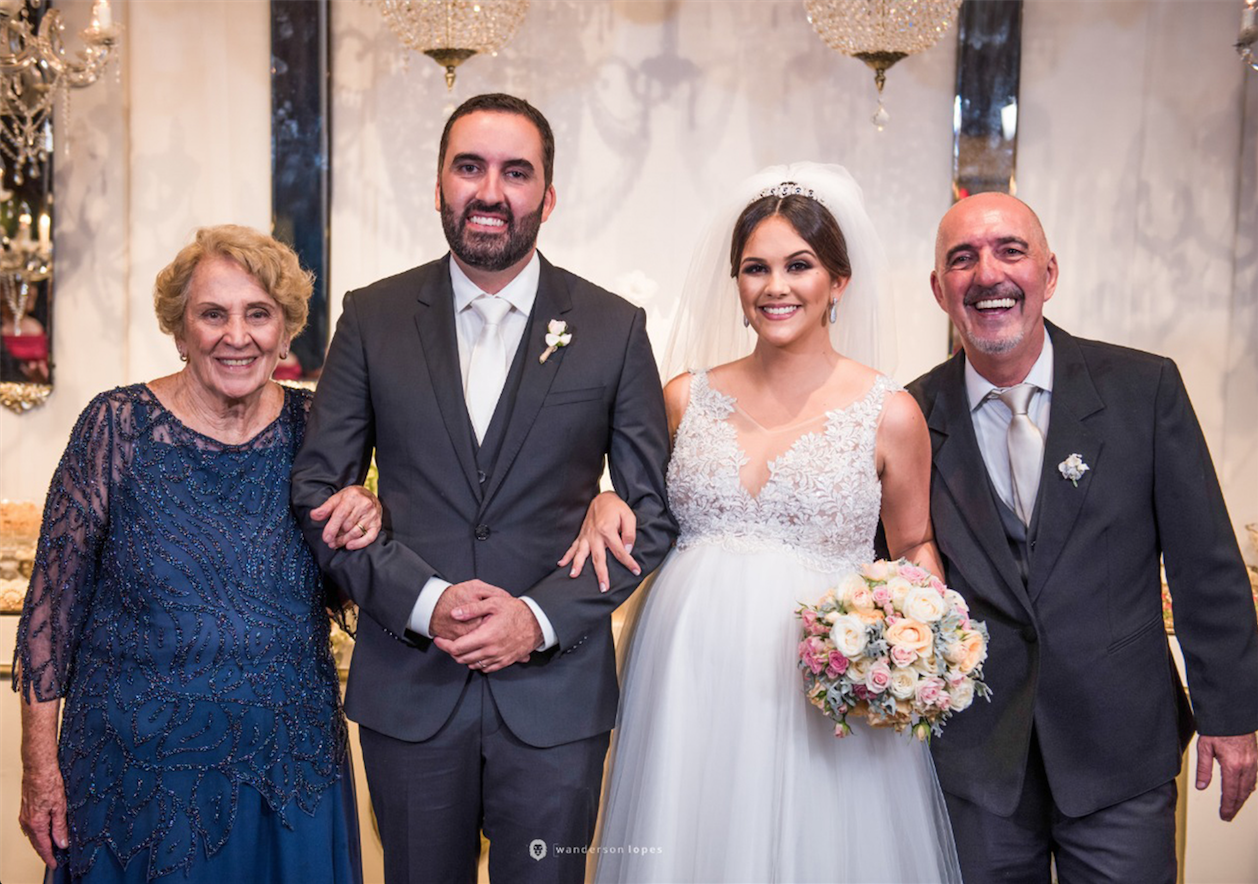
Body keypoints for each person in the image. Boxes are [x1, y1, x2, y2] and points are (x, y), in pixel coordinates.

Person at [289, 93, 676, 884]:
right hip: (410, 688)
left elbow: (653, 517)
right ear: (438, 185)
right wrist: (426, 603)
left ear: (548, 195)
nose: (490, 191)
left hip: (555, 698)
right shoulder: (373, 316)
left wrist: (537, 620)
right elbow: (317, 491)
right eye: (470, 167)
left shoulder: (613, 327)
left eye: (515, 171)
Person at [570, 163, 962, 883]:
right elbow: (636, 503)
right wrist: (603, 500)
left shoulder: (890, 413)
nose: (775, 286)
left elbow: (913, 545)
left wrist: (917, 647)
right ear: (737, 284)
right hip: (689, 665)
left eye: (799, 265)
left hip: (818, 679)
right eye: (756, 268)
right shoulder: (685, 398)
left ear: (838, 282)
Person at [13, 225, 381, 884]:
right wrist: (39, 769)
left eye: (257, 314)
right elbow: (48, 616)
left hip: (287, 769)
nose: (235, 336)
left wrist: (369, 518)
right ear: (180, 332)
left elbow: (346, 586)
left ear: (285, 330)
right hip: (134, 777)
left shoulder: (321, 430)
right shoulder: (115, 428)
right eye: (212, 314)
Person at [908, 191, 1258, 882]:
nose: (988, 274)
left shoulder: (1143, 388)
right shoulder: (910, 415)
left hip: (1120, 747)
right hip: (975, 763)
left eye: (1011, 251)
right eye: (962, 258)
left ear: (1049, 272)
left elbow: (1204, 562)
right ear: (939, 289)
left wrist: (1233, 712)